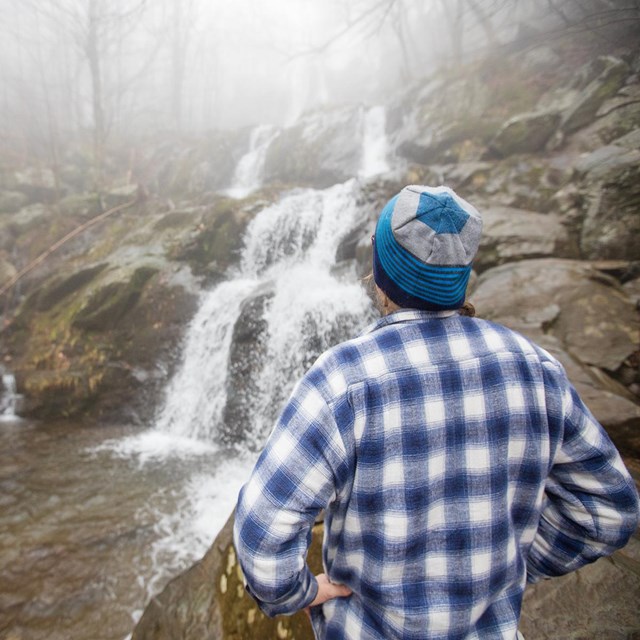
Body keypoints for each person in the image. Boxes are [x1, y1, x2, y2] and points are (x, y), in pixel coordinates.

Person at [233, 185, 640, 639]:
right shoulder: (536, 369)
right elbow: (609, 511)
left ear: (379, 266)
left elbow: (262, 535)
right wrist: (517, 565)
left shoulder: (342, 382)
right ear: (463, 272)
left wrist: (298, 594)